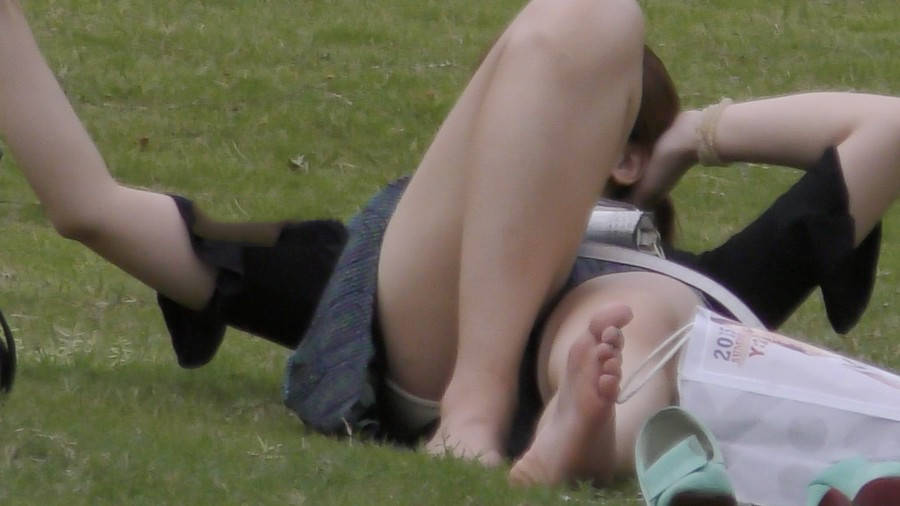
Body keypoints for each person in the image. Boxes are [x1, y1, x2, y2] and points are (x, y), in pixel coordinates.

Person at [1, 0, 897, 489]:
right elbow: (89, 206)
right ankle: (499, 400)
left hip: (647, 346)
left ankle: (595, 430)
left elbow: (887, 130)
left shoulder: (701, 280)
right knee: (595, 16)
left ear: (624, 154)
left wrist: (694, 133)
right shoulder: (364, 261)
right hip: (442, 339)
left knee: (635, 326)